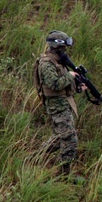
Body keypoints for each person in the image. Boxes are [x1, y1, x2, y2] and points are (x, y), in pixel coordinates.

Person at [35, 30, 85, 177]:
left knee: (58, 138)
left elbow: (63, 87)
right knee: (70, 140)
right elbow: (54, 85)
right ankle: (64, 174)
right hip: (57, 107)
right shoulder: (47, 64)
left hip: (62, 104)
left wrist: (78, 87)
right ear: (57, 47)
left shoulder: (57, 62)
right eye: (63, 47)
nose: (65, 51)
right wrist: (70, 76)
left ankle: (35, 158)